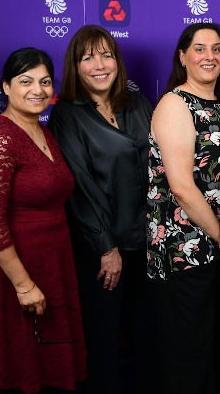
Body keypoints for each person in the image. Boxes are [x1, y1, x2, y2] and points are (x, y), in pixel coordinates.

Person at [0, 48, 86, 393]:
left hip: (52, 261)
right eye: (26, 81)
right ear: (5, 87)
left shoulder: (44, 132)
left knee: (48, 369)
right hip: (15, 271)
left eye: (45, 82)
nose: (38, 89)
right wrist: (23, 285)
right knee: (20, 371)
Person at [48, 25, 158, 394]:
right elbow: (79, 187)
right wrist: (105, 247)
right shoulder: (67, 113)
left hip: (149, 244)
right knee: (103, 346)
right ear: (75, 66)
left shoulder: (139, 104)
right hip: (101, 250)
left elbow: (162, 170)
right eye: (87, 57)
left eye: (106, 54)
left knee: (150, 341)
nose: (99, 64)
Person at [146, 23, 220, 394]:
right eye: (199, 49)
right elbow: (182, 187)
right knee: (189, 357)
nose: (209, 56)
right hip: (185, 251)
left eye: (216, 49)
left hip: (216, 251)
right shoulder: (175, 103)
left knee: (214, 352)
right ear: (182, 57)